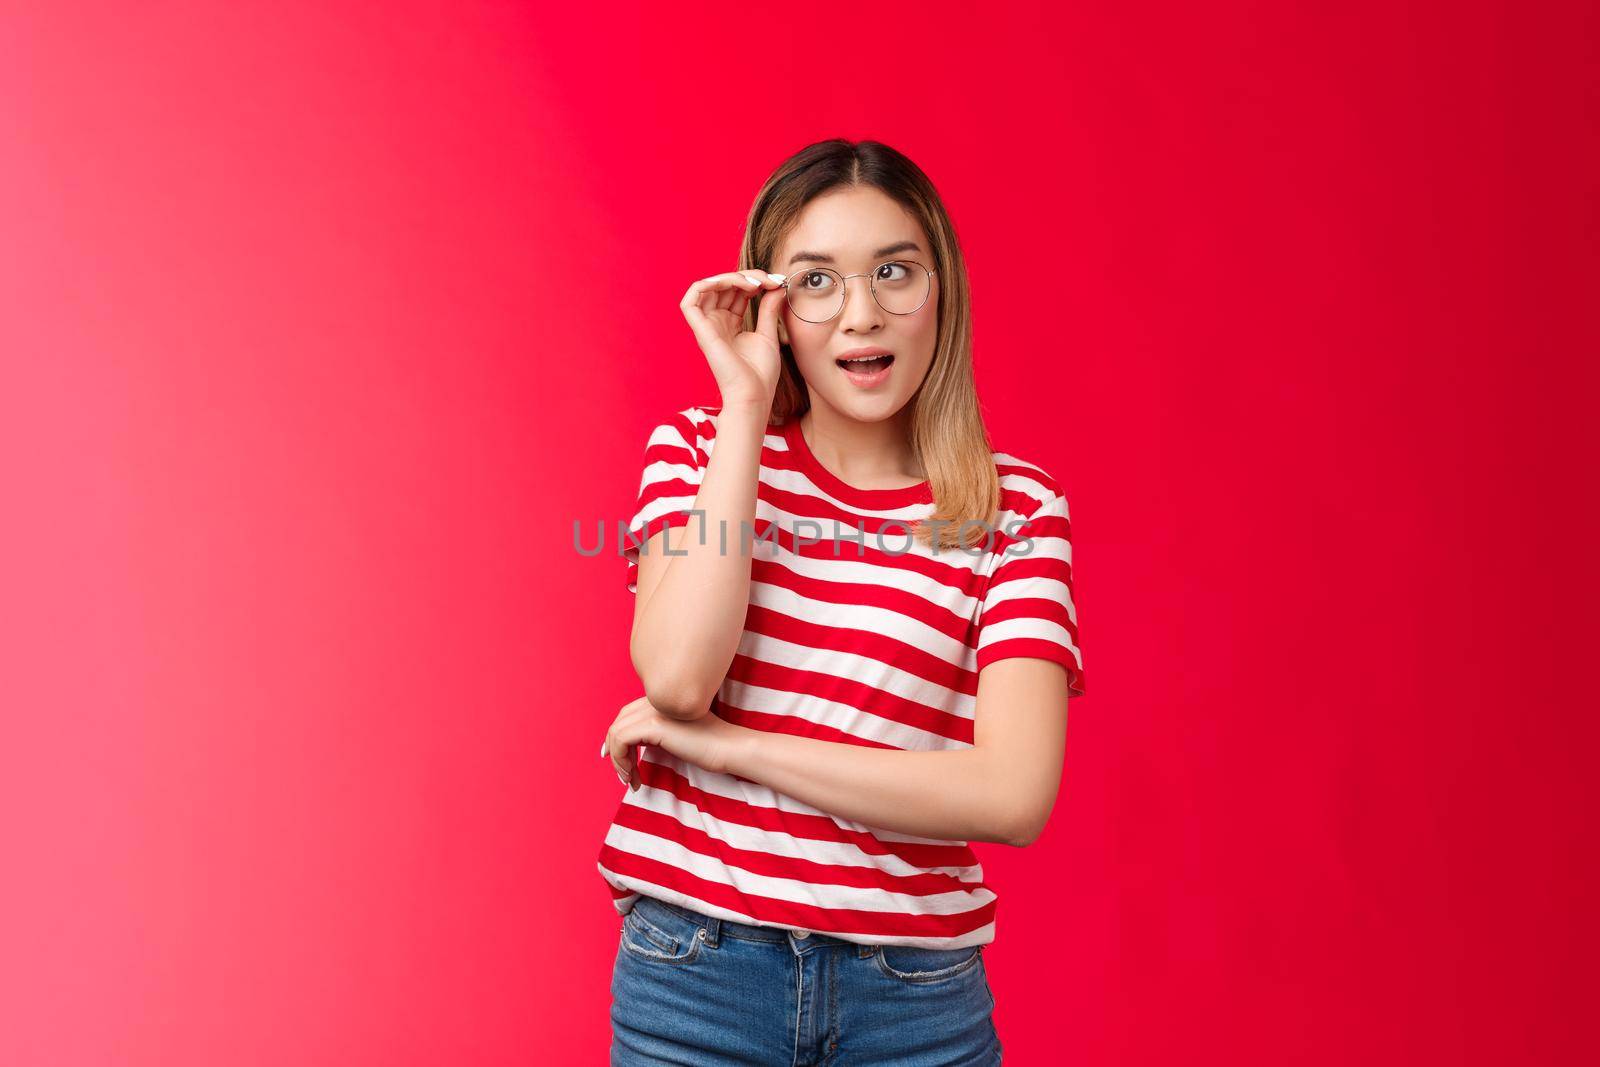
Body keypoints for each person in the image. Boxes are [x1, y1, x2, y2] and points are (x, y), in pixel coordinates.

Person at [597, 138, 1085, 1065]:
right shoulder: (700, 451)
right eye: (816, 282)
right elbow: (675, 677)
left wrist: (730, 749)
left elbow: (1012, 793)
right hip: (694, 978)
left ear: (941, 288)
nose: (862, 316)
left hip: (913, 1004)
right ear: (771, 306)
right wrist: (746, 405)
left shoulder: (1015, 507)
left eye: (894, 272)